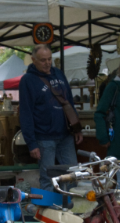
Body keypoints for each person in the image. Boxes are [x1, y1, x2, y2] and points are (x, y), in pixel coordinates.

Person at [19, 44, 82, 192]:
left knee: (73, 175)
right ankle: (48, 206)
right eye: (43, 60)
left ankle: (71, 205)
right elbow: (25, 113)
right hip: (44, 137)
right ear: (33, 60)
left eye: (49, 59)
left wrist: (77, 128)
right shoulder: (28, 80)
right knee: (47, 178)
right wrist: (31, 143)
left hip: (65, 135)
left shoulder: (58, 73)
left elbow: (69, 102)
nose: (47, 63)